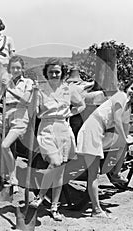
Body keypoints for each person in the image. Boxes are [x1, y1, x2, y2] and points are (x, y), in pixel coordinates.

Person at [76, 79, 133, 218]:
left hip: (101, 131)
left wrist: (128, 140)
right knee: (93, 174)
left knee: (122, 144)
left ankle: (115, 174)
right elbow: (117, 119)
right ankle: (96, 210)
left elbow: (125, 128)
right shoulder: (120, 96)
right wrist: (125, 138)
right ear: (127, 88)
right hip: (92, 130)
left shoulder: (128, 106)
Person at [28, 58, 85, 221]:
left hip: (64, 129)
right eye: (51, 72)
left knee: (59, 171)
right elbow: (33, 112)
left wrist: (69, 114)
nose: (54, 74)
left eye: (57, 72)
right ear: (46, 73)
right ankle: (39, 197)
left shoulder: (68, 89)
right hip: (46, 128)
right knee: (54, 162)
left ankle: (54, 207)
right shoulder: (40, 89)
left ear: (62, 74)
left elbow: (81, 105)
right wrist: (33, 93)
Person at [0, 55, 33, 193]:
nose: (15, 70)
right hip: (6, 114)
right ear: (9, 69)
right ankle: (5, 175)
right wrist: (2, 88)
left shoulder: (28, 82)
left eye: (18, 68)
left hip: (20, 115)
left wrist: (8, 89)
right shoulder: (6, 82)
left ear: (22, 69)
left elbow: (25, 100)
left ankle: (13, 178)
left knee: (5, 145)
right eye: (13, 68)